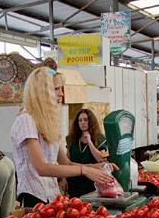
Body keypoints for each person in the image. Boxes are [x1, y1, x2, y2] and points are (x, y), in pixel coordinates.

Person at [10, 67, 113, 208]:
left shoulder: (46, 124)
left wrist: (95, 167)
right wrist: (84, 170)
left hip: (51, 196)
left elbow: (67, 163)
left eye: (61, 89)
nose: (61, 94)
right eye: (56, 89)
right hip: (33, 197)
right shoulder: (26, 120)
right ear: (42, 92)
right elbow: (42, 168)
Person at [66, 109, 108, 198]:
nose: (82, 122)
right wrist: (63, 179)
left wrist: (89, 141)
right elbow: (66, 161)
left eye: (85, 120)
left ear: (91, 121)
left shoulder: (100, 138)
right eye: (80, 120)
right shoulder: (71, 139)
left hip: (91, 181)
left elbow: (100, 159)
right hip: (74, 180)